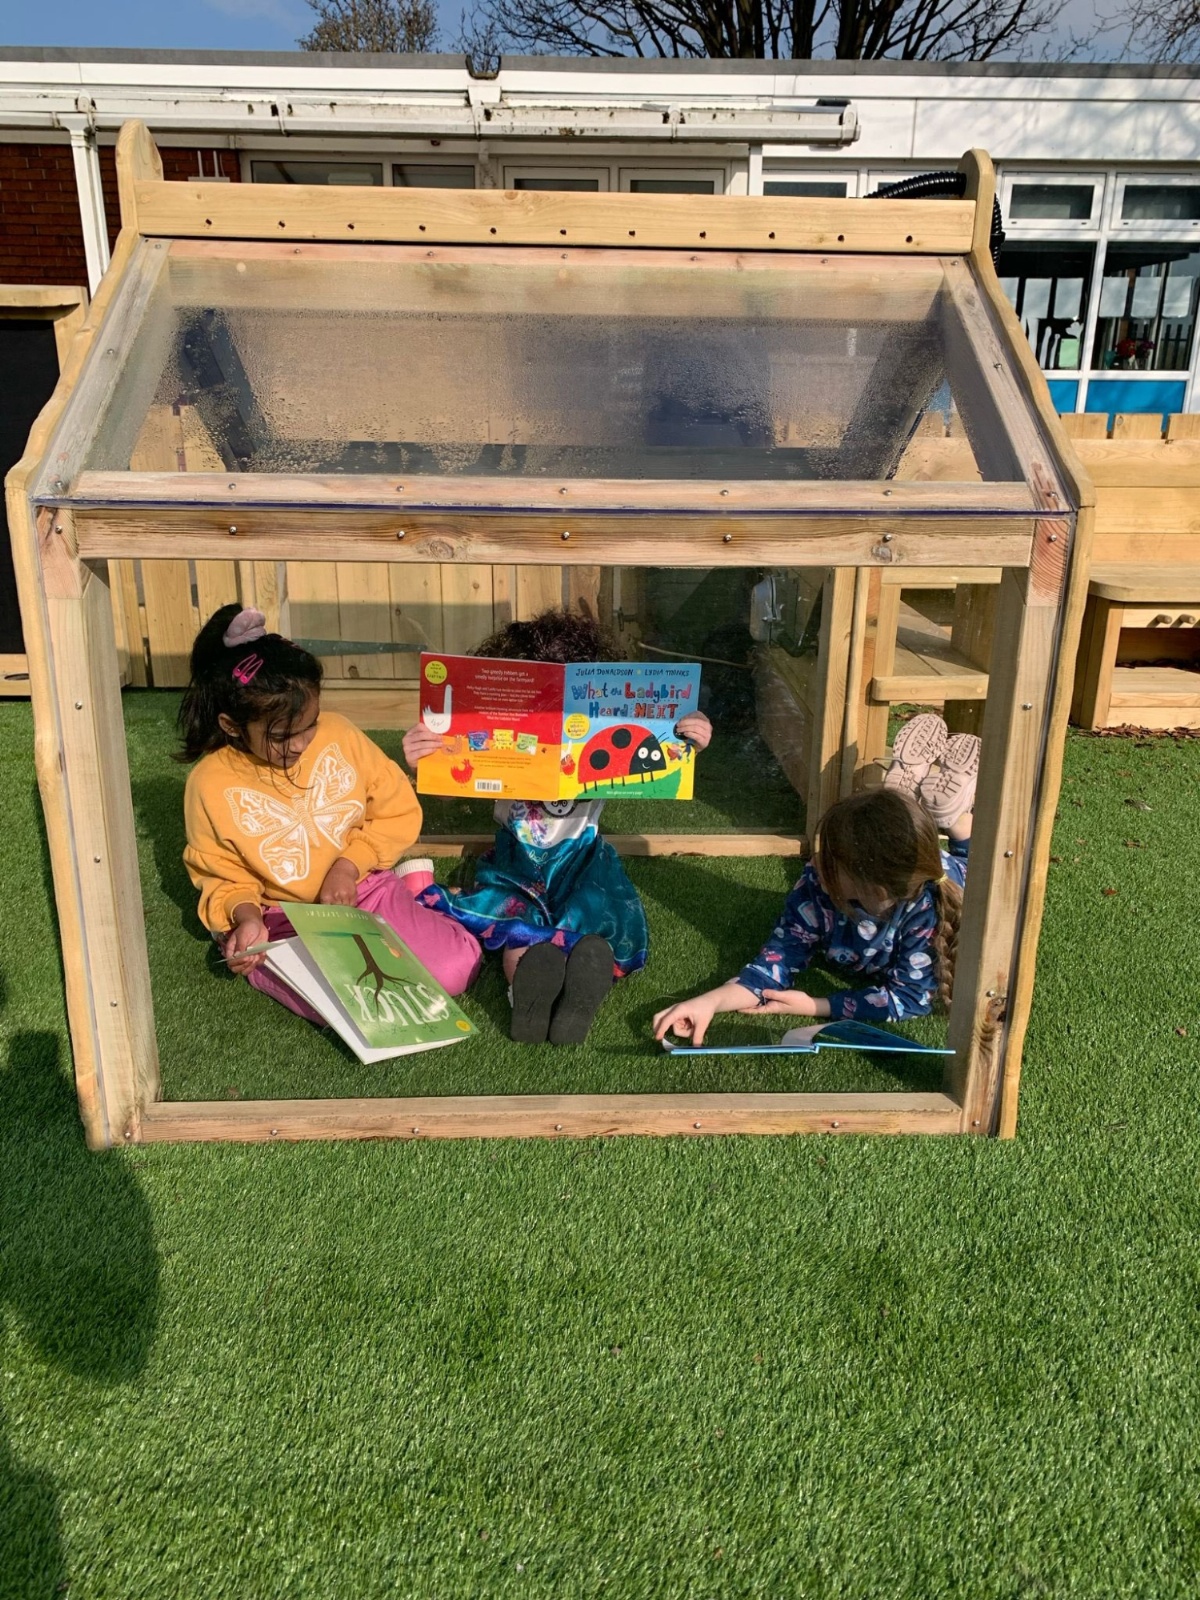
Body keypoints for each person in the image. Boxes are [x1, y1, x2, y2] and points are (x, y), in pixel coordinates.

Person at [403, 607, 713, 1046]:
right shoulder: (500, 732)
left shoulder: (604, 729)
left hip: (580, 862)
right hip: (516, 864)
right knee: (521, 934)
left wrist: (690, 737)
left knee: (592, 926)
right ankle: (527, 994)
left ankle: (582, 992)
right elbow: (450, 791)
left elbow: (660, 755)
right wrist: (426, 762)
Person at [179, 604, 481, 1022]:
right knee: (347, 1003)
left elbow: (395, 809)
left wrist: (348, 866)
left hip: (365, 889)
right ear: (232, 726)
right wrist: (247, 918)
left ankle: (410, 895)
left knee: (457, 968)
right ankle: (274, 962)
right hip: (284, 917)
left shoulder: (339, 733)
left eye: (311, 725)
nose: (301, 744)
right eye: (282, 736)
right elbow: (223, 875)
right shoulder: (208, 783)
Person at [653, 713, 977, 1047]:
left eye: (834, 859)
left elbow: (909, 999)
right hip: (903, 865)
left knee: (972, 864)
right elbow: (773, 964)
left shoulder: (928, 907)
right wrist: (709, 1002)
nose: (817, 860)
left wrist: (815, 1005)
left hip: (958, 873)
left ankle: (956, 821)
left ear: (872, 885)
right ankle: (910, 802)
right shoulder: (817, 882)